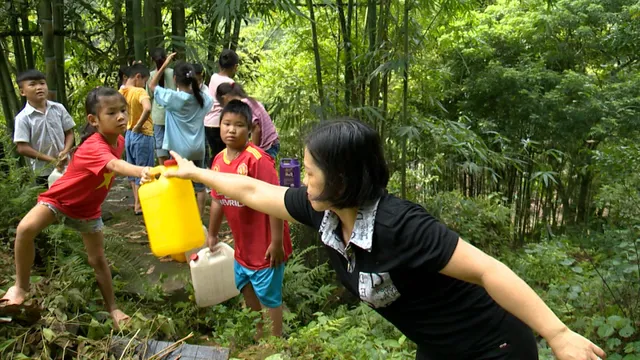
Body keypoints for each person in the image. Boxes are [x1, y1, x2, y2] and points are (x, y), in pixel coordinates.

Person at [159, 119, 606, 360]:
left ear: (342, 178)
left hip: (494, 346)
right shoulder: (326, 214)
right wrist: (195, 172)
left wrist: (558, 334)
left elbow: (490, 269)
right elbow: (256, 191)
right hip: (438, 347)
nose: (302, 179)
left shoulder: (400, 225)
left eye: (310, 172)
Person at [0, 87, 152, 330]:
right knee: (25, 229)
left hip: (88, 209)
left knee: (98, 259)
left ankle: (113, 308)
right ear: (93, 120)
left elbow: (115, 163)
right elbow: (115, 164)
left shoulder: (120, 140)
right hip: (60, 200)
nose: (121, 116)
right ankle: (20, 287)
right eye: (112, 113)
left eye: (123, 110)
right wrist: (141, 170)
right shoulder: (94, 145)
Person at [208, 100, 292, 338]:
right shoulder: (218, 162)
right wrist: (212, 234)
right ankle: (259, 334)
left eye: (239, 125)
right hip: (242, 247)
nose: (231, 130)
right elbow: (217, 200)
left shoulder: (257, 159)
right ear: (219, 126)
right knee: (246, 289)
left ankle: (274, 341)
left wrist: (276, 243)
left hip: (266, 246)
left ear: (251, 129)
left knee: (269, 297)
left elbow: (275, 200)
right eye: (226, 124)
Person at [148, 52, 212, 217]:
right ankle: (198, 218)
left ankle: (183, 215)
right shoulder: (203, 99)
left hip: (178, 152)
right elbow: (209, 101)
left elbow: (152, 85)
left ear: (175, 79)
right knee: (200, 186)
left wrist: (164, 64)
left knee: (179, 183)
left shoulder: (172, 98)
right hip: (198, 149)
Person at [13, 69, 75, 186]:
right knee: (50, 202)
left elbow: (69, 133)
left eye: (42, 83)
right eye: (32, 84)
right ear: (22, 92)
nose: (39, 87)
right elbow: (22, 148)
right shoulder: (23, 118)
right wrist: (50, 160)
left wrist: (65, 151)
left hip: (67, 165)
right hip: (43, 171)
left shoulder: (58, 108)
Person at [120, 63, 154, 215]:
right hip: (143, 134)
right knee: (144, 170)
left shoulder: (121, 92)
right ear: (138, 77)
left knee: (133, 171)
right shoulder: (139, 91)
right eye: (144, 80)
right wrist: (139, 124)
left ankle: (137, 204)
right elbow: (147, 107)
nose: (144, 84)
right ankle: (143, 204)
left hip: (128, 135)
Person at [216, 82, 280, 159]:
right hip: (272, 141)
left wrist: (253, 152)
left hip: (268, 144)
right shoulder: (249, 100)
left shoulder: (244, 104)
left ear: (225, 98)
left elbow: (256, 129)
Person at [203, 49, 238, 163]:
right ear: (235, 66)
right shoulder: (230, 83)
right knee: (224, 157)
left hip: (208, 122)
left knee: (216, 155)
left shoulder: (214, 77)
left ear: (219, 64)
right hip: (219, 124)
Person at [147, 48, 177, 165]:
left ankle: (163, 172)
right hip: (172, 114)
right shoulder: (172, 73)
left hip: (157, 116)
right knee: (173, 145)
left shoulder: (151, 76)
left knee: (160, 146)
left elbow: (149, 95)